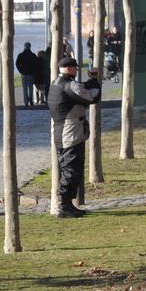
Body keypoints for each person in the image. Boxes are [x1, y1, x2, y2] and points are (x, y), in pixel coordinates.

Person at [46, 55, 101, 218]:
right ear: (69, 69)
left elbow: (80, 90)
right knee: (71, 170)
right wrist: (95, 79)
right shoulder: (70, 85)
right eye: (76, 68)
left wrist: (90, 81)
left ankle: (68, 204)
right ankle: (63, 206)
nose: (77, 70)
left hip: (61, 131)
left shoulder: (56, 83)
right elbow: (92, 96)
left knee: (68, 168)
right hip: (71, 133)